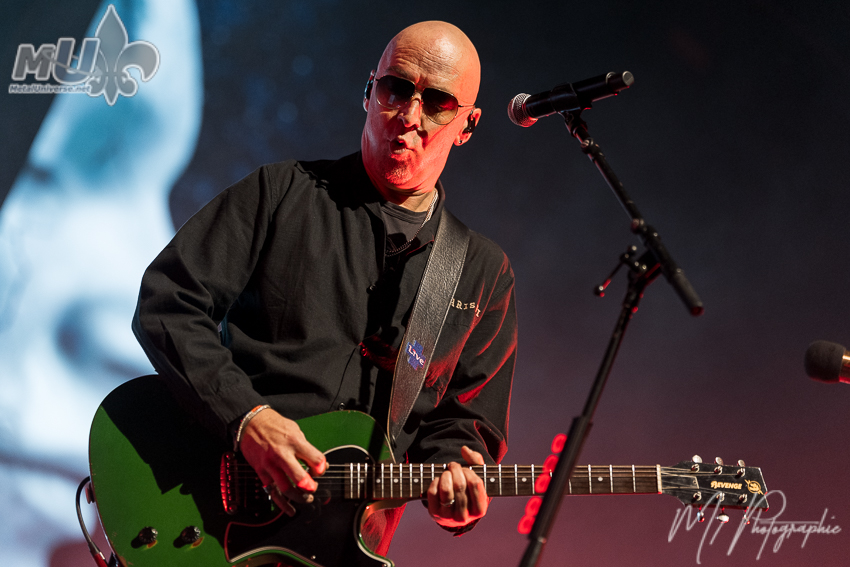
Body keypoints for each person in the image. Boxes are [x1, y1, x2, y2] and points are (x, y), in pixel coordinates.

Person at [133, 20, 516, 560]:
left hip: (343, 548)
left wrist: (457, 480)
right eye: (396, 89)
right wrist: (246, 418)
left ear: (467, 125)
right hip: (210, 519)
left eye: (437, 103)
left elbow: (464, 426)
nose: (409, 116)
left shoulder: (482, 271)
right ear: (369, 92)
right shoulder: (279, 193)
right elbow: (167, 303)